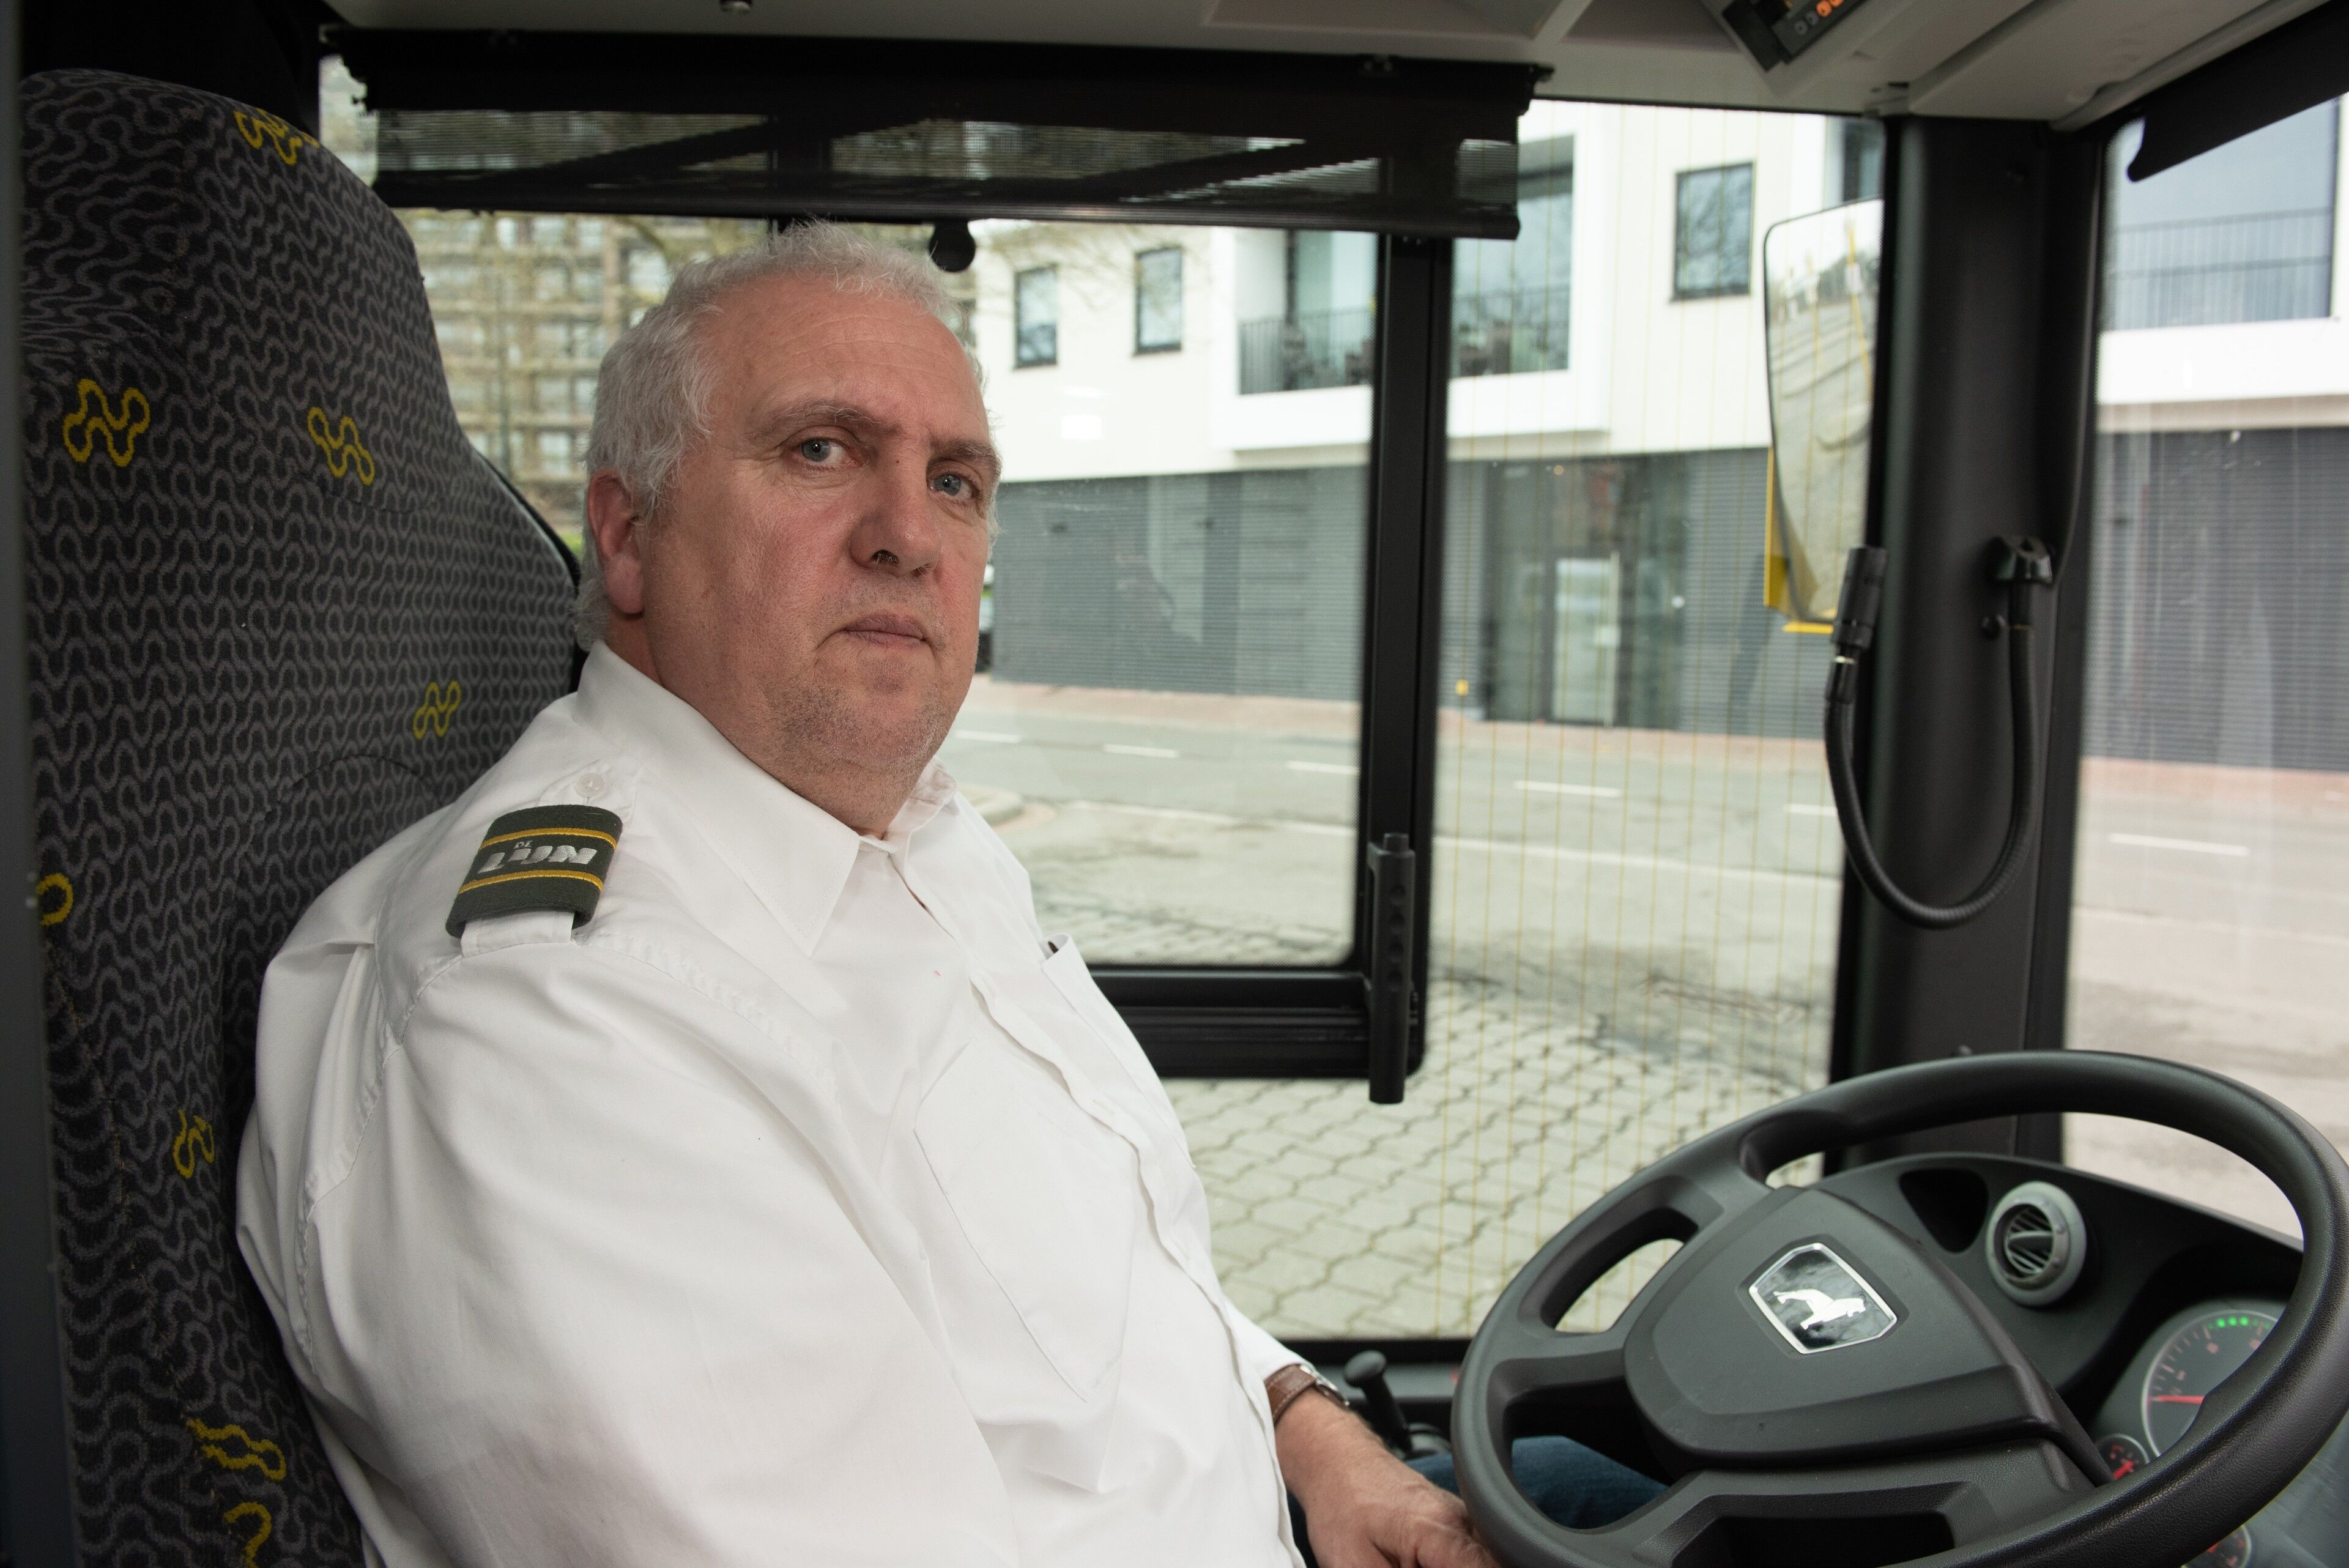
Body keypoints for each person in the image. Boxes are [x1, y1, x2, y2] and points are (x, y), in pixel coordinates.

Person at [237, 221, 1657, 1568]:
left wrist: (1312, 1429)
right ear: (628, 534)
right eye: (821, 450)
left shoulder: (903, 832)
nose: (909, 535)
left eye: (957, 482)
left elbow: (1104, 1279)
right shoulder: (549, 1030)